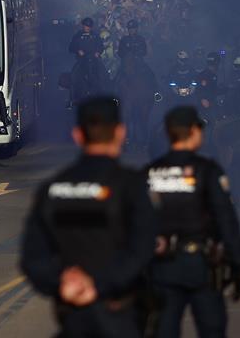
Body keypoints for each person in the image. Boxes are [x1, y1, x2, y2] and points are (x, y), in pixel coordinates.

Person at [21, 97, 156, 338]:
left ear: (77, 135)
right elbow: (143, 250)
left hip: (72, 313)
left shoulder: (53, 188)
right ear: (120, 132)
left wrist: (62, 282)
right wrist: (98, 285)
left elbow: (33, 257)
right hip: (120, 314)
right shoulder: (130, 186)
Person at [146, 106, 240, 338]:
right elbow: (226, 219)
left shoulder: (150, 172)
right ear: (193, 131)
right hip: (201, 268)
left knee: (163, 330)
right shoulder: (207, 171)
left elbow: (137, 225)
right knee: (212, 329)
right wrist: (239, 264)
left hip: (163, 268)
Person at [68, 18, 107, 105]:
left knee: (104, 73)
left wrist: (98, 52)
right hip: (82, 60)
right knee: (74, 75)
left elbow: (101, 46)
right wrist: (78, 50)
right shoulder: (77, 36)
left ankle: (105, 95)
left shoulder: (96, 36)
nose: (88, 28)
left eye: (89, 26)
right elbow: (71, 47)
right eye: (86, 26)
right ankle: (72, 98)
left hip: (94, 60)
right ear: (83, 26)